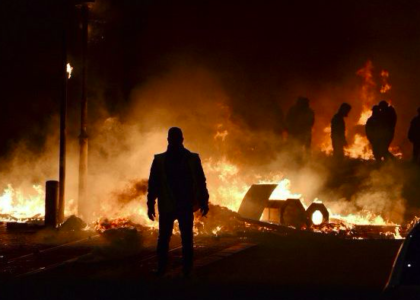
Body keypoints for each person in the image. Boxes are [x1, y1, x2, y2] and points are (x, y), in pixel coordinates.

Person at [147, 127, 209, 277]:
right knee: (184, 238)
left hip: (173, 205)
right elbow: (201, 182)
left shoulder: (162, 160)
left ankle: (165, 269)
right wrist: (203, 201)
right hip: (181, 205)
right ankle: (184, 270)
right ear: (182, 139)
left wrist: (151, 203)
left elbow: (153, 184)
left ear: (169, 140)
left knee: (167, 239)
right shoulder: (190, 159)